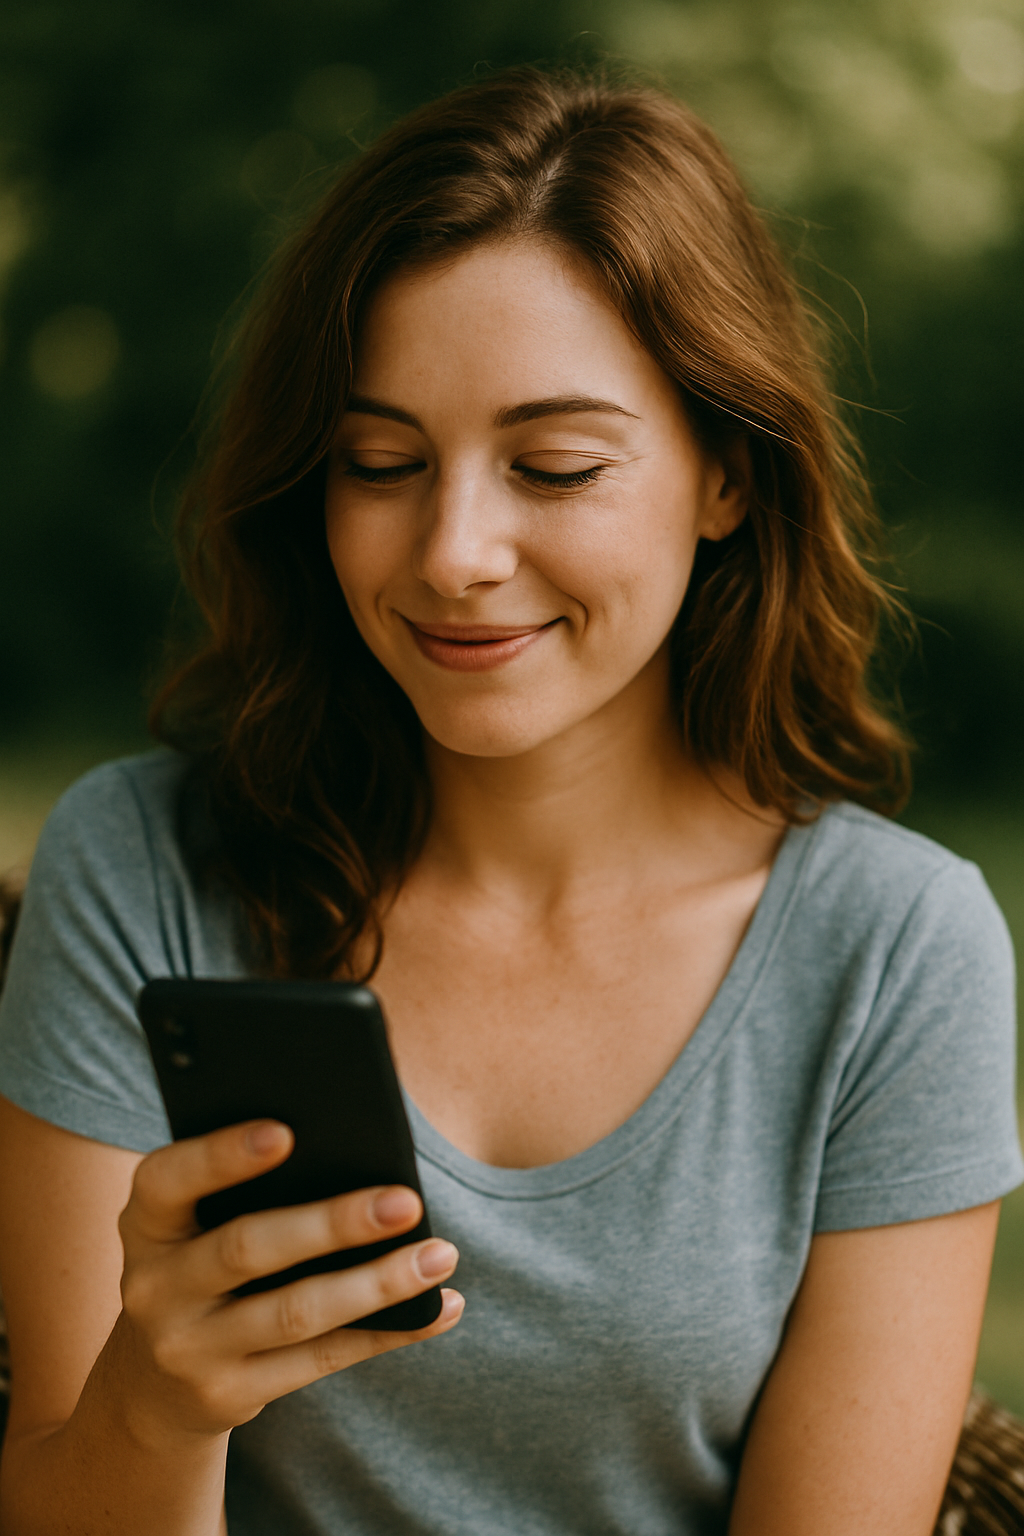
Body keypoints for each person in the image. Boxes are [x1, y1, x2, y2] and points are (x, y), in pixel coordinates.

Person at [0, 66, 1020, 1536]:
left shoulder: (896, 953)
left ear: (725, 474)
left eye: (554, 465)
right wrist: (153, 1406)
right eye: (381, 462)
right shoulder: (142, 866)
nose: (456, 550)